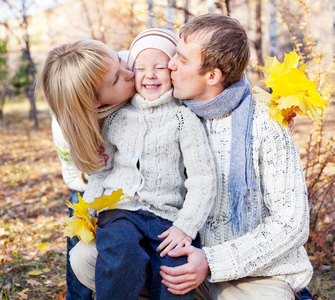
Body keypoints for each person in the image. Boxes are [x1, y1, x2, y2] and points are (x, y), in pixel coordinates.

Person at [158, 13, 313, 300]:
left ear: (212, 75)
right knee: (90, 258)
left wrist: (212, 262)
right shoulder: (169, 110)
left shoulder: (266, 121)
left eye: (181, 59)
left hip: (255, 277)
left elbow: (292, 223)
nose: (170, 64)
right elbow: (123, 70)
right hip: (183, 260)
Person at [82, 28, 216, 300]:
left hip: (167, 216)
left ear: (173, 69)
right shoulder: (118, 116)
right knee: (122, 251)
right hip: (121, 208)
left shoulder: (183, 120)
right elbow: (102, 167)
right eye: (140, 68)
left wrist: (186, 226)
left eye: (159, 67)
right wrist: (91, 206)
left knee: (174, 274)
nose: (150, 75)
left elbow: (203, 179)